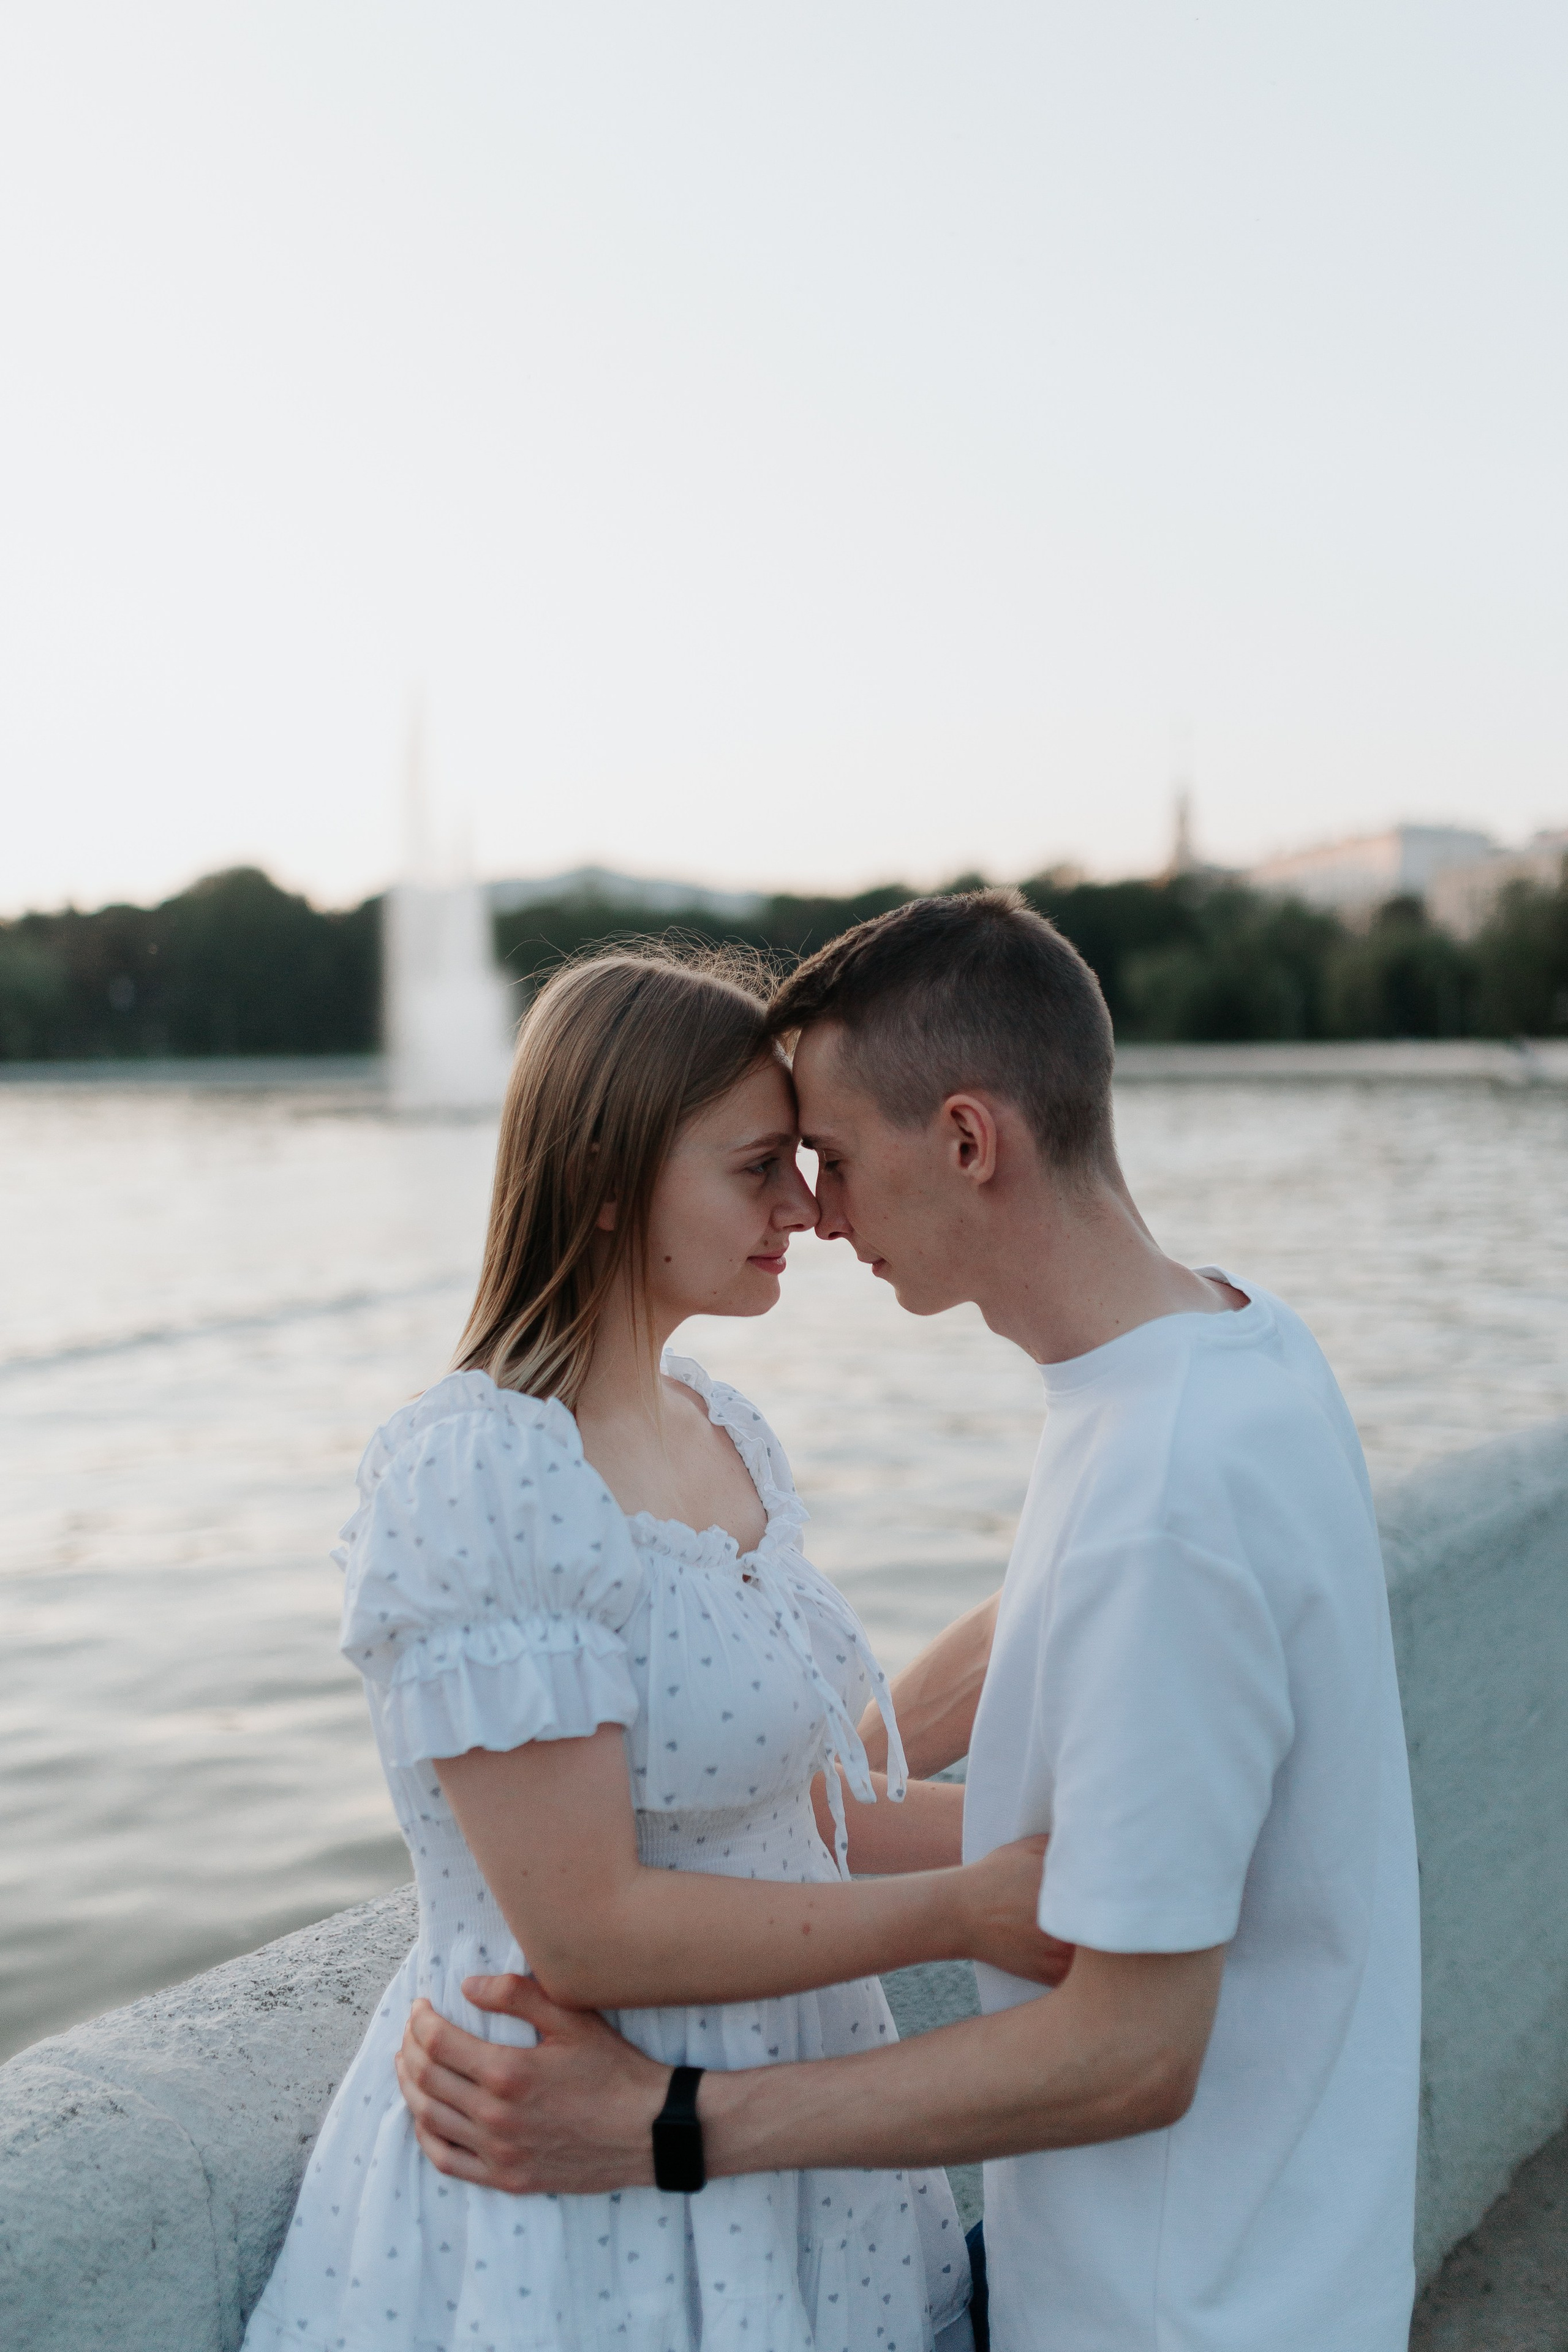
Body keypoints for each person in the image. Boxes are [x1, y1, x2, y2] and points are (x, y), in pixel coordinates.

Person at [396, 890, 1423, 2352]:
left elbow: (1129, 2055)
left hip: (1176, 2307)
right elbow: (1057, 1616)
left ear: (962, 1139)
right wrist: (838, 1771)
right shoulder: (1228, 1347)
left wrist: (668, 2125)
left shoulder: (1165, 1495)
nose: (816, 1212)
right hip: (1269, 2252)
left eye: (825, 1156)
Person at [241, 945, 1069, 2352]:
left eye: (801, 1165)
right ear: (613, 1177)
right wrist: (977, 1907)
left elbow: (790, 1822)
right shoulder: (479, 1474)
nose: (806, 1210)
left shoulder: (723, 1431)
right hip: (573, 2157)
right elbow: (587, 1927)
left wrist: (1071, 1840)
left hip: (778, 2128)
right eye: (758, 1168)